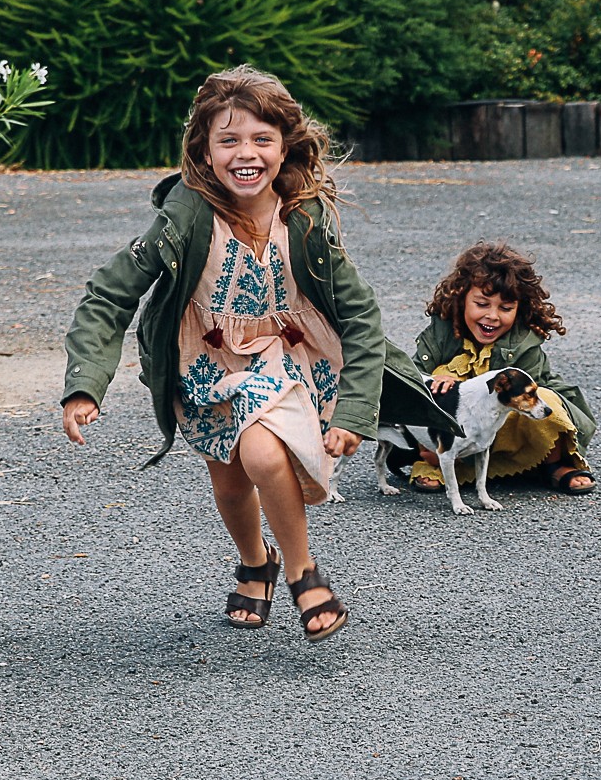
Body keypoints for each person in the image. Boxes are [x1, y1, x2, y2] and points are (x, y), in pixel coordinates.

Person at [60, 67, 456, 643]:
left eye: (261, 140)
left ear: (285, 145)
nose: (246, 154)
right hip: (205, 361)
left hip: (285, 357)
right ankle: (255, 560)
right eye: (229, 140)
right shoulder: (183, 218)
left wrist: (354, 411)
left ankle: (303, 573)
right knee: (228, 479)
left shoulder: (305, 219)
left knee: (264, 456)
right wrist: (85, 383)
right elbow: (110, 293)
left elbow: (362, 316)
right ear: (203, 149)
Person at [407, 242, 597, 496]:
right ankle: (435, 462)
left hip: (504, 428)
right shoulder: (441, 333)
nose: (493, 316)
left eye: (505, 308)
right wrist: (434, 379)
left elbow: (539, 396)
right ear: (461, 298)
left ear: (520, 309)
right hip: (455, 429)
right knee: (433, 387)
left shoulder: (523, 344)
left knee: (546, 402)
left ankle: (554, 465)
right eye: (482, 304)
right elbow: (409, 374)